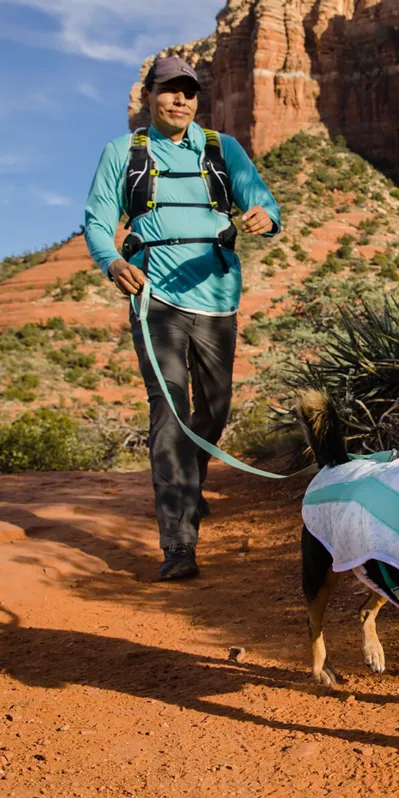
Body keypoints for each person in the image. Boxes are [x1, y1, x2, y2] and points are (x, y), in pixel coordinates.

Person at [84, 56, 281, 581]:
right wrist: (114, 261)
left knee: (214, 410)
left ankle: (190, 483)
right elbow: (98, 218)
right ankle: (178, 544)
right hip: (156, 302)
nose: (180, 100)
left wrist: (266, 214)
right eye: (170, 91)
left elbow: (262, 199)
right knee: (170, 414)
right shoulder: (122, 153)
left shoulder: (222, 149)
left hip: (218, 300)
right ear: (150, 95)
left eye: (188, 92)